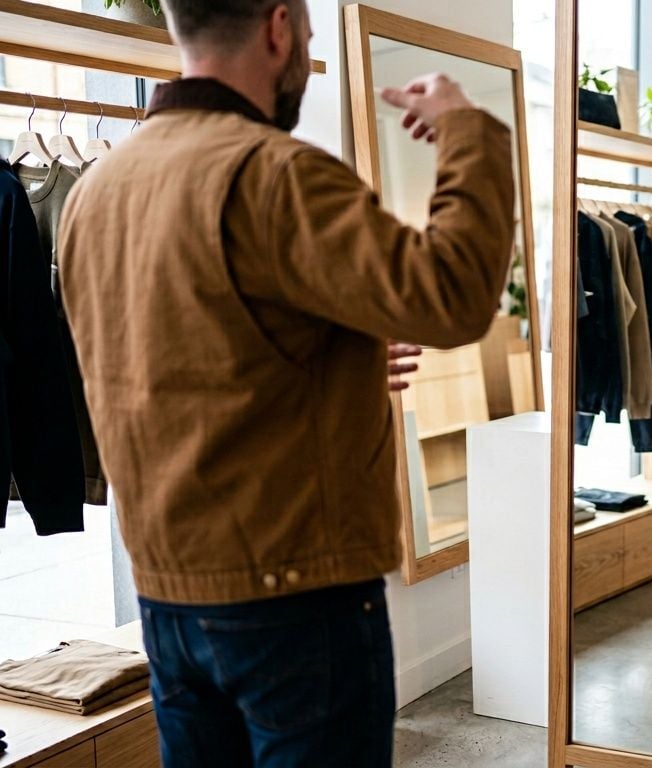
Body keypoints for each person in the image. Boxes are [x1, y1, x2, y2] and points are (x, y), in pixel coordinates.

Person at [56, 1, 515, 765]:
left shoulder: (99, 190)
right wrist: (466, 131)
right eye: (305, 32)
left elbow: (186, 358)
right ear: (279, 28)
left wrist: (347, 361)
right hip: (295, 602)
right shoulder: (276, 174)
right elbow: (453, 294)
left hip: (169, 597)